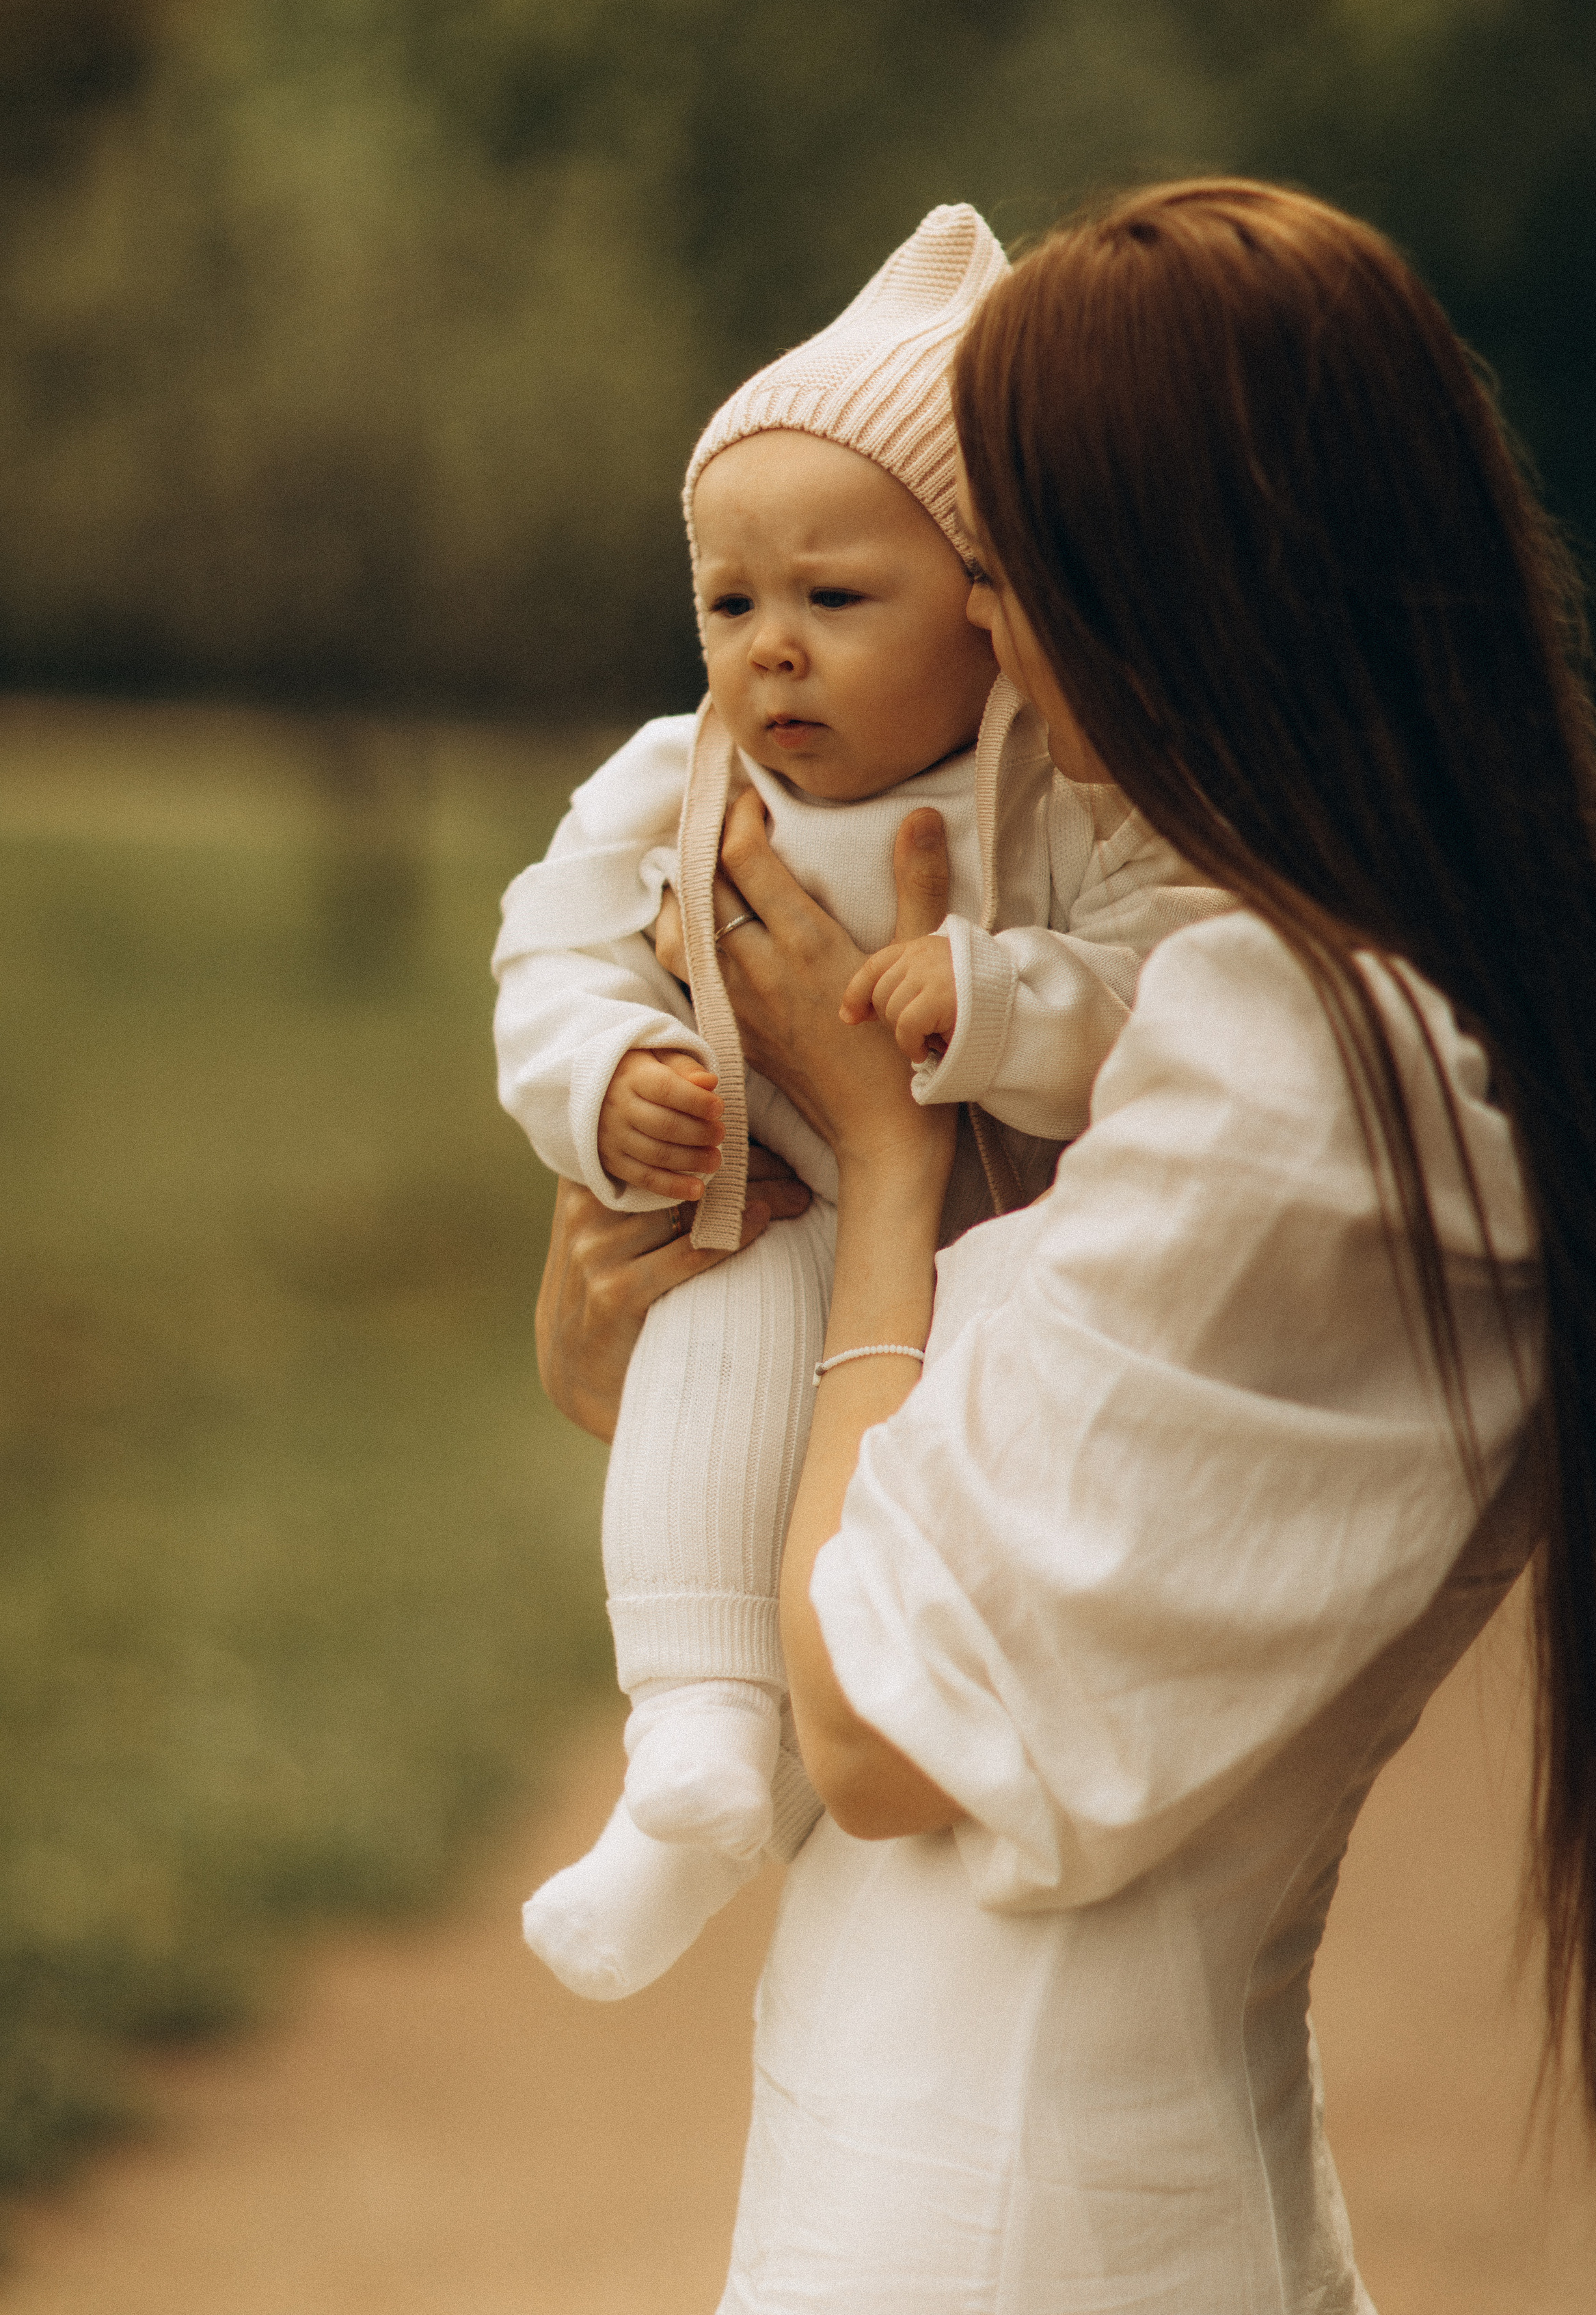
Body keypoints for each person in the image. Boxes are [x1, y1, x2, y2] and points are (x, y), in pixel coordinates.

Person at [533, 179, 1596, 2313]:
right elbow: (935, 1472)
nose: (977, 646)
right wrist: (634, 1301)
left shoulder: (1309, 1063)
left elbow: (881, 1733)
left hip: (1007, 2224)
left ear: (1183, 593)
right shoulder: (1273, 1020)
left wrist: (895, 1175)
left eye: (1001, 574)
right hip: (969, 2178)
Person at [493, 204, 1228, 2002]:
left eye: (835, 599)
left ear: (989, 617)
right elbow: (548, 954)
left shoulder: (1051, 803)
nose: (772, 653)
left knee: (904, 1581)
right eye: (730, 605)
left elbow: (1145, 985)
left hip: (977, 1258)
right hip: (762, 1206)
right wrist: (609, 1079)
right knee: (706, 1348)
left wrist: (991, 1000)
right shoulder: (673, 778)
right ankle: (691, 1753)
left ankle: (805, 1763)